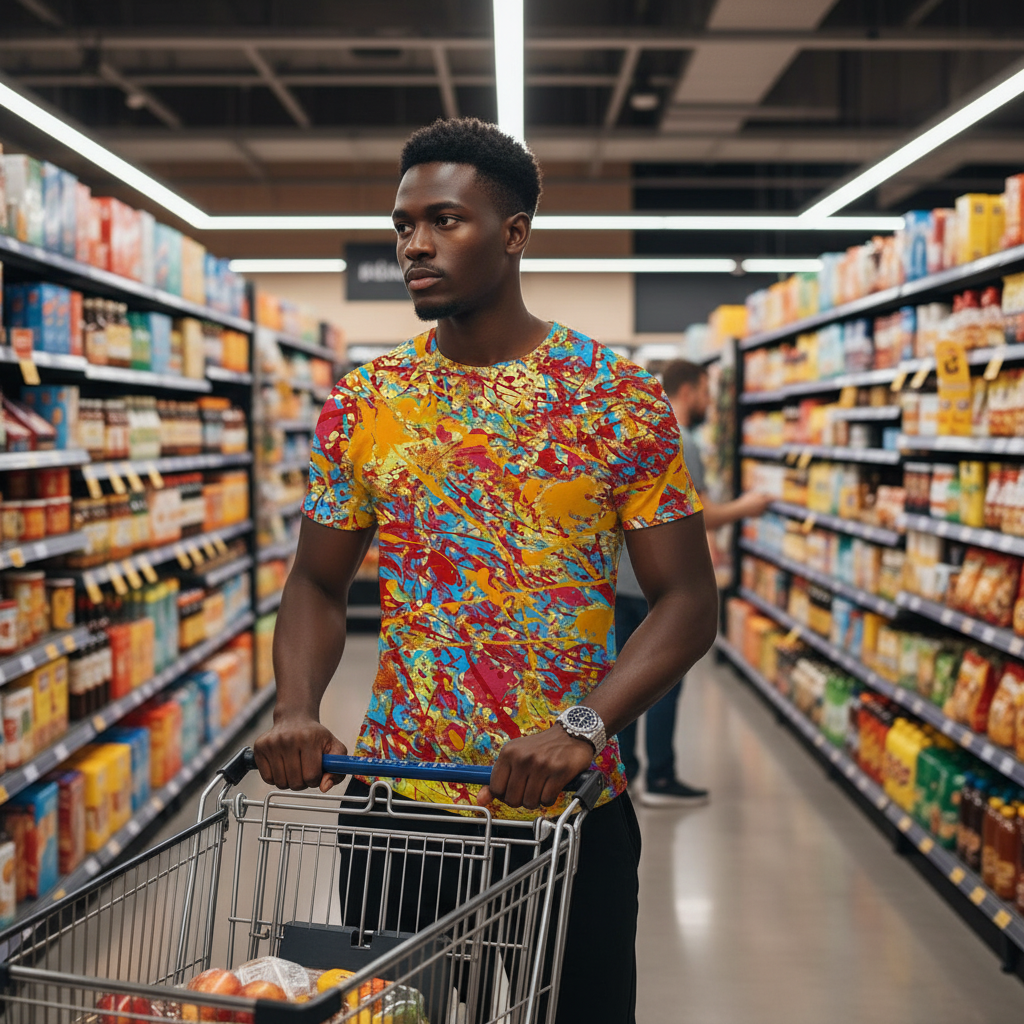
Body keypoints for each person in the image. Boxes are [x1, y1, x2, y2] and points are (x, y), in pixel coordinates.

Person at [252, 117, 719, 1024]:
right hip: (399, 814)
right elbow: (316, 581)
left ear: (513, 233)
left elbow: (687, 601)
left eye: (443, 220)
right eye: (402, 225)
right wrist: (296, 705)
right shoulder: (368, 400)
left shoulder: (613, 397)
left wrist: (586, 724)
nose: (413, 245)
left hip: (567, 814)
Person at [617, 359, 771, 806]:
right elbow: (698, 513)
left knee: (622, 678)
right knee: (662, 678)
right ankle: (661, 779)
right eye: (705, 390)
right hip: (658, 587)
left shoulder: (640, 430)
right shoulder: (681, 440)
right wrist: (747, 507)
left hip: (622, 579)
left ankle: (626, 777)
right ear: (688, 390)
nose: (709, 399)